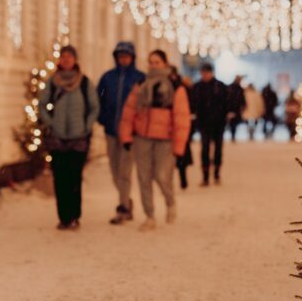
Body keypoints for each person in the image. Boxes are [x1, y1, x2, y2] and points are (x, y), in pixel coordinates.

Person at [119, 49, 191, 231]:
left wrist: (179, 146)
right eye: (151, 62)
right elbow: (129, 112)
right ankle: (149, 215)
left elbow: (181, 118)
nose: (153, 65)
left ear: (165, 64)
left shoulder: (175, 86)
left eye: (157, 62)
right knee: (144, 177)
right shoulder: (141, 85)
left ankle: (170, 201)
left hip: (165, 140)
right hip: (142, 137)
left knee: (161, 175)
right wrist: (126, 135)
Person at [38, 45, 99, 230]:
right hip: (57, 137)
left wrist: (86, 126)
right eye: (63, 57)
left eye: (69, 57)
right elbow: (42, 104)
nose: (66, 60)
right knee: (60, 178)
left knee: (74, 177)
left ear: (75, 60)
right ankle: (63, 216)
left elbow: (94, 107)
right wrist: (50, 122)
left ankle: (74, 215)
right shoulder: (52, 82)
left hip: (78, 137)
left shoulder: (84, 83)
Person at [97, 41, 146, 225]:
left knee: (125, 171)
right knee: (114, 170)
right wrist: (102, 117)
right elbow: (98, 98)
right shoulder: (107, 78)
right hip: (111, 129)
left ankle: (123, 207)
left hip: (130, 134)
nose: (123, 59)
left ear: (132, 57)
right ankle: (126, 199)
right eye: (120, 56)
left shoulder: (140, 78)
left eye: (126, 56)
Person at [190, 62, 228, 185]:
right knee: (205, 149)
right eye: (203, 73)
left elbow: (226, 103)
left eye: (207, 72)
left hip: (218, 124)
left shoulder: (220, 86)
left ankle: (216, 173)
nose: (205, 75)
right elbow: (193, 104)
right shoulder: (197, 87)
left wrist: (224, 116)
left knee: (218, 149)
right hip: (204, 124)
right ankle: (205, 175)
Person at [169, 65, 195, 189]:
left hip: (180, 124)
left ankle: (182, 178)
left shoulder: (181, 88)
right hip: (166, 126)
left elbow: (189, 105)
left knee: (181, 153)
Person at [225, 76, 246, 142]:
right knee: (233, 122)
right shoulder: (239, 89)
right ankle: (232, 134)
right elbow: (242, 99)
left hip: (231, 107)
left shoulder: (230, 87)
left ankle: (232, 134)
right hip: (234, 107)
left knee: (232, 122)